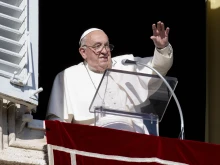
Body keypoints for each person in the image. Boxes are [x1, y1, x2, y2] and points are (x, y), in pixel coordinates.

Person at [46, 21, 173, 135]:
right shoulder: (68, 76)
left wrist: (162, 48)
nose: (104, 51)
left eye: (107, 45)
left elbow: (156, 69)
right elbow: (57, 121)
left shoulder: (125, 64)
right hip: (91, 140)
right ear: (83, 52)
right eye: (97, 46)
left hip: (133, 138)